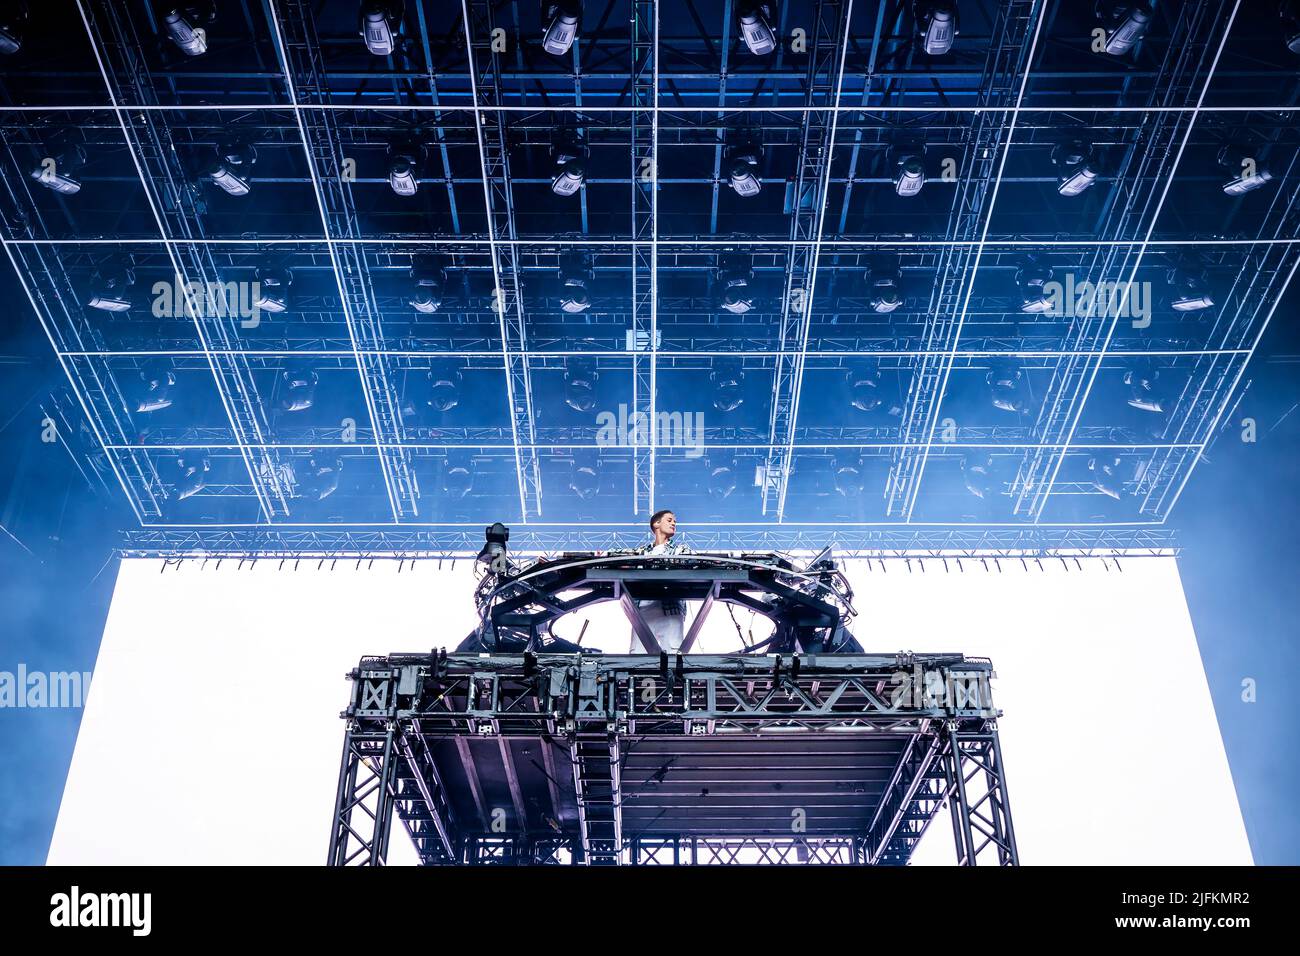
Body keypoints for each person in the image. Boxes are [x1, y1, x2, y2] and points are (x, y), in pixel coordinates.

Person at [628, 509, 690, 652]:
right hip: (643, 608)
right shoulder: (642, 551)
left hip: (670, 608)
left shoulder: (681, 550)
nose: (674, 523)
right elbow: (618, 554)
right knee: (637, 656)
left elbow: (691, 561)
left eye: (675, 521)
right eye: (669, 520)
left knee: (673, 656)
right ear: (656, 524)